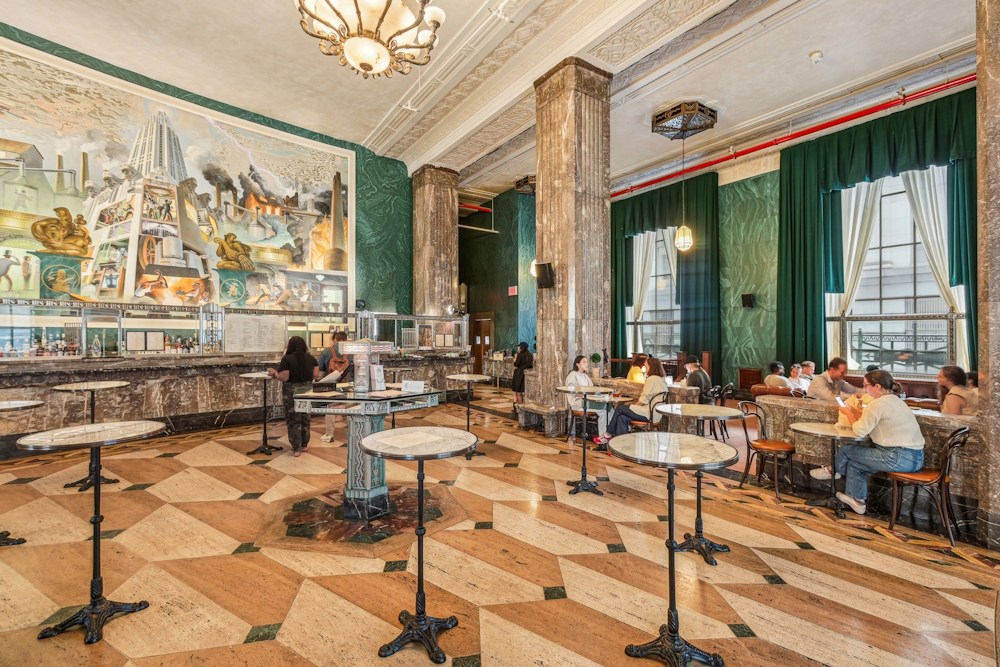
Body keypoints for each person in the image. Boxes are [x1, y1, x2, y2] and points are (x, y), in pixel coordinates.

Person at [809, 369, 924, 515]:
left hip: (897, 457)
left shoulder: (877, 404)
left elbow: (859, 431)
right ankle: (857, 501)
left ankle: (833, 471)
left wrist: (848, 413)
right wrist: (853, 411)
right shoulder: (896, 401)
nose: (864, 389)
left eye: (866, 385)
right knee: (854, 464)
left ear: (877, 386)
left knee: (846, 450)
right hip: (915, 458)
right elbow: (869, 419)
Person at [596, 357, 669, 443]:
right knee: (622, 418)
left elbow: (644, 399)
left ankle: (608, 434)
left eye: (646, 365)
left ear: (651, 366)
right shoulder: (661, 379)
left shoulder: (651, 379)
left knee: (619, 409)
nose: (645, 367)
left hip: (649, 413)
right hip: (656, 414)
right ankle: (621, 444)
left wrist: (634, 406)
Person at [268, 336, 317, 456]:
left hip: (292, 391)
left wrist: (275, 374)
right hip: (307, 390)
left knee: (293, 418)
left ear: (290, 346)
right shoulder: (311, 358)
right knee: (305, 417)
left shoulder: (287, 359)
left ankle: (296, 448)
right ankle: (304, 445)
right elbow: (315, 374)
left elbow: (284, 377)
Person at [563, 355, 607, 441]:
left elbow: (592, 389)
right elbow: (575, 392)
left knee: (609, 407)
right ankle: (603, 437)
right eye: (584, 362)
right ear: (577, 364)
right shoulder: (572, 375)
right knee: (604, 409)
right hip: (578, 403)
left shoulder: (585, 376)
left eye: (587, 362)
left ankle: (610, 435)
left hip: (586, 400)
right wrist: (589, 394)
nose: (587, 364)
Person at [318, 331, 351, 442]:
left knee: (330, 408)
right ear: (346, 340)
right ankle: (352, 432)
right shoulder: (352, 351)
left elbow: (320, 370)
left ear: (335, 340)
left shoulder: (327, 351)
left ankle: (329, 434)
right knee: (351, 407)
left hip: (332, 384)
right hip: (348, 384)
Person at [512, 342, 532, 407]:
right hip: (524, 374)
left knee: (517, 391)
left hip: (518, 374)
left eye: (518, 347)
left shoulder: (520, 355)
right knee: (520, 391)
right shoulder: (529, 355)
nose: (517, 348)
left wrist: (515, 358)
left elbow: (516, 365)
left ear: (521, 347)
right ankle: (520, 406)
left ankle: (517, 407)